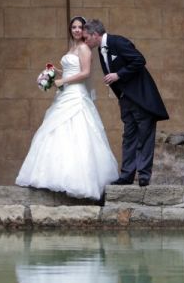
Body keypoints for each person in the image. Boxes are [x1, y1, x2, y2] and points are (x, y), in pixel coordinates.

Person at [15, 16, 119, 200]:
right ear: (70, 30)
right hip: (65, 93)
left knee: (78, 131)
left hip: (76, 95)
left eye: (80, 27)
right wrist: (54, 73)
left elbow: (85, 73)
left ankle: (78, 181)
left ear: (85, 30)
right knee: (54, 130)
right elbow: (73, 70)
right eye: (74, 27)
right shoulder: (72, 48)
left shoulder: (84, 48)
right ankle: (51, 176)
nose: (77, 30)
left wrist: (62, 81)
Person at [82, 19, 169, 187]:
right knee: (129, 138)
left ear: (95, 35)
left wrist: (118, 74)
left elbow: (139, 60)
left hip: (141, 99)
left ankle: (143, 175)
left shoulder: (118, 42)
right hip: (126, 100)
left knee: (145, 136)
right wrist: (121, 96)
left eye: (86, 38)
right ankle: (127, 175)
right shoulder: (101, 49)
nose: (85, 42)